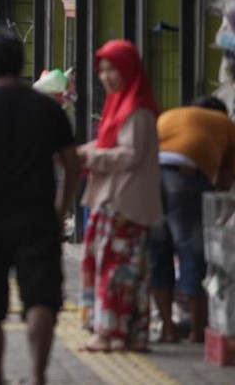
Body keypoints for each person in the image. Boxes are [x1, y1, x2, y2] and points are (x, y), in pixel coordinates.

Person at [0, 30, 81, 385]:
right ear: (22, 65)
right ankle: (38, 375)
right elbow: (72, 164)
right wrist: (61, 209)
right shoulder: (47, 107)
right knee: (41, 298)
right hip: (38, 214)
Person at [77, 39, 163, 353]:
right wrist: (81, 154)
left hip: (122, 201)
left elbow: (130, 155)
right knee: (129, 269)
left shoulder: (136, 110)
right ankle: (131, 333)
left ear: (128, 69)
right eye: (102, 70)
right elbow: (106, 145)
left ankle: (109, 332)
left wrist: (87, 158)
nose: (106, 76)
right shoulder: (121, 104)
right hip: (117, 199)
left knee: (115, 269)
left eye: (112, 69)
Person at [149, 95, 235, 343]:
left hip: (150, 178)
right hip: (185, 180)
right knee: (192, 252)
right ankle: (198, 331)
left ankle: (168, 329)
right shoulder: (225, 123)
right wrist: (216, 213)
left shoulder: (170, 115)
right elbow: (227, 178)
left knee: (158, 251)